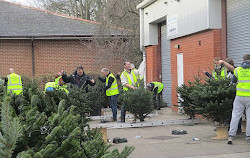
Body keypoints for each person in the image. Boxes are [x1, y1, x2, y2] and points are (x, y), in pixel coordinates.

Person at [227, 54, 250, 144]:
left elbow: (233, 82)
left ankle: (231, 136)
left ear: (243, 60)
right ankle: (248, 138)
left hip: (239, 97)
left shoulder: (238, 70)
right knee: (249, 118)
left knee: (235, 116)